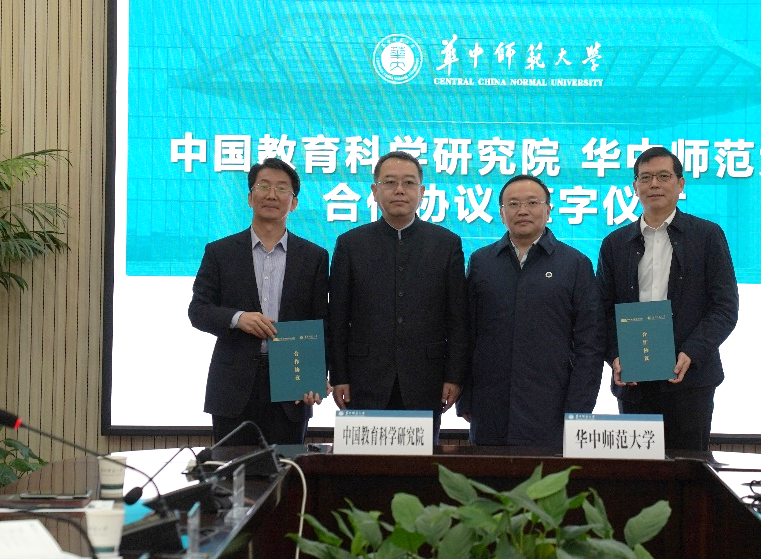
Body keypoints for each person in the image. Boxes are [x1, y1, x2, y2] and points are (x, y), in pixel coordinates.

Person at [596, 146, 738, 451]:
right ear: (634, 186)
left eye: (663, 176)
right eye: (645, 178)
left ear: (680, 183)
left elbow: (724, 308)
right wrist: (615, 355)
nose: (654, 185)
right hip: (634, 381)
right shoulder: (615, 244)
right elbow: (602, 311)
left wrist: (692, 352)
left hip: (690, 380)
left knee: (688, 469)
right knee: (639, 469)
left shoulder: (707, 236)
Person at [188, 157, 329, 446]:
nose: (271, 194)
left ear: (293, 203)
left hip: (292, 385)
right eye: (263, 186)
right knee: (233, 470)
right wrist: (238, 318)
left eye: (282, 188)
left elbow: (322, 322)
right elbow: (198, 310)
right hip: (233, 385)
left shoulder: (314, 257)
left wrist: (316, 376)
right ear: (250, 197)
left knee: (287, 469)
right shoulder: (220, 252)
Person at [327, 151, 469, 436]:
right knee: (363, 456)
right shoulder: (350, 244)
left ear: (422, 192)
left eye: (409, 183)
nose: (400, 190)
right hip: (363, 380)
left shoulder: (446, 244)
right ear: (374, 191)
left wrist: (454, 376)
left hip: (426, 380)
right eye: (390, 182)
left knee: (419, 462)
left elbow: (458, 320)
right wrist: (339, 375)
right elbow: (337, 318)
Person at [458, 174, 604, 447]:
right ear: (502, 213)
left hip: (551, 408)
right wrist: (465, 399)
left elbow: (590, 343)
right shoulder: (481, 262)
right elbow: (467, 334)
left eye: (532, 203)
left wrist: (579, 408)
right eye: (513, 204)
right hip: (490, 407)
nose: (522, 211)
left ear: (548, 210)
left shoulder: (575, 264)